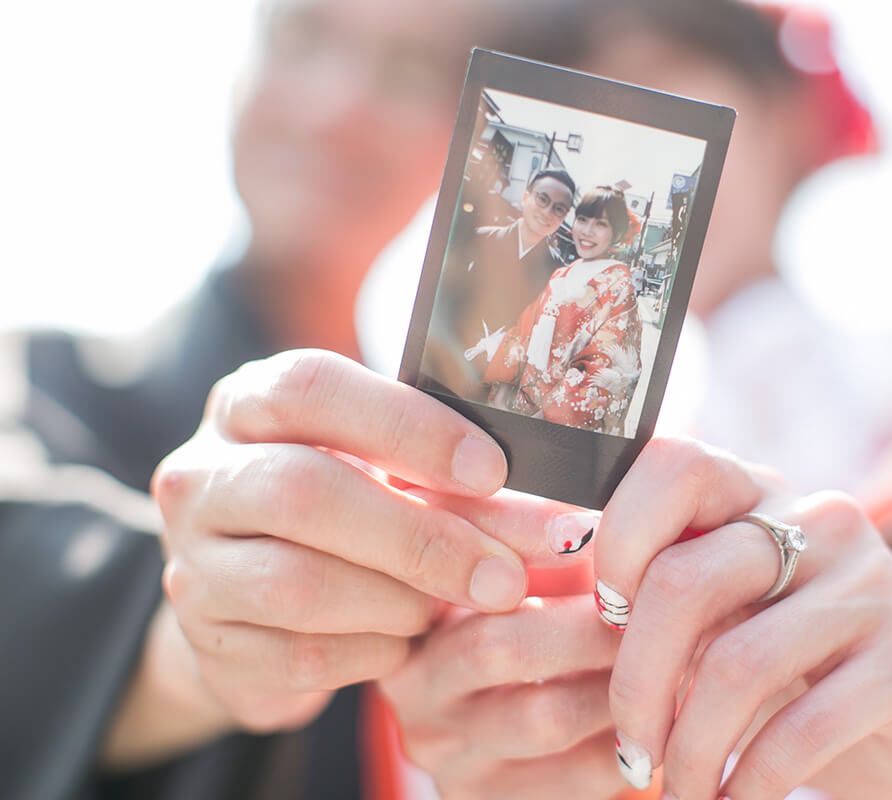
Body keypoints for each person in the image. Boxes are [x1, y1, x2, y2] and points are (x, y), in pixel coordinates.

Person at [353, 1, 892, 798]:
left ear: (785, 115)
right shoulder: (503, 446)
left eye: (653, 79)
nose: (616, 144)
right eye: (573, 101)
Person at [0, 1, 592, 798]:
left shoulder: (515, 477)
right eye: (302, 36)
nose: (334, 105)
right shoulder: (36, 383)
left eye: (413, 74)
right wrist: (190, 648)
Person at [483, 186, 642, 434]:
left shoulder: (618, 282)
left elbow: (606, 360)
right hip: (521, 405)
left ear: (617, 233)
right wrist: (503, 392)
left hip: (557, 419)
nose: (587, 232)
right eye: (582, 219)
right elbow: (524, 330)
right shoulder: (562, 273)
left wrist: (545, 415)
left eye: (600, 224)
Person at [422, 168, 576, 401]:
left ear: (564, 218)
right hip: (447, 369)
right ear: (526, 197)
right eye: (542, 199)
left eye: (558, 208)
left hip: (503, 388)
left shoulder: (559, 276)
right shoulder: (479, 239)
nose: (547, 211)